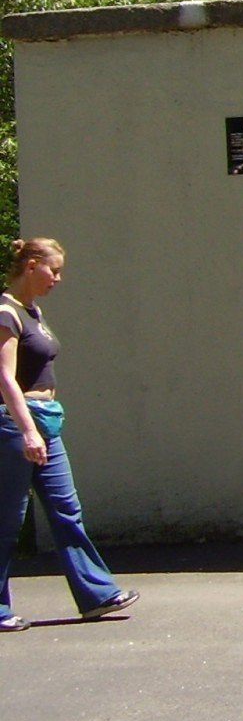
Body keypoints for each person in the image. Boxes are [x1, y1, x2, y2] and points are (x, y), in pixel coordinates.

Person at [0, 237, 137, 631]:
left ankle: (97, 594)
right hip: (14, 424)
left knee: (66, 510)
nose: (58, 278)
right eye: (53, 270)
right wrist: (27, 430)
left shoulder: (33, 311)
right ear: (30, 266)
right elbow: (4, 378)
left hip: (47, 420)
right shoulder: (6, 313)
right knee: (9, 518)